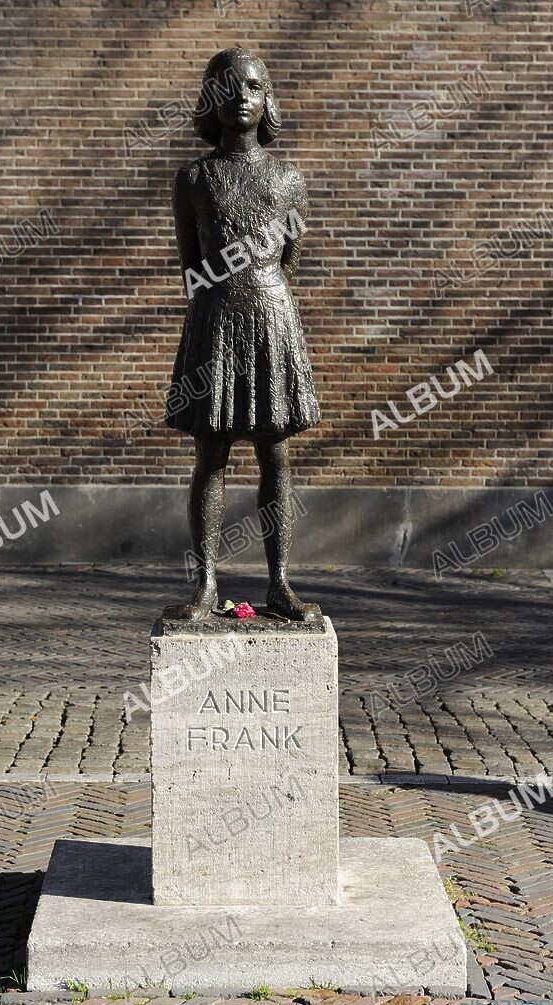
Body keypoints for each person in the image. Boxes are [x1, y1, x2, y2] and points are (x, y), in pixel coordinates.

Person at [165, 48, 321, 622]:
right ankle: (206, 583)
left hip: (271, 317)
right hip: (215, 318)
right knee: (210, 453)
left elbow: (289, 257)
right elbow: (191, 266)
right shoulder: (193, 179)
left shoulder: (287, 178)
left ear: (267, 99)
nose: (241, 96)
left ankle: (280, 582)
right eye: (228, 86)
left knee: (275, 453)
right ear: (211, 99)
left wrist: (256, 286)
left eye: (253, 86)